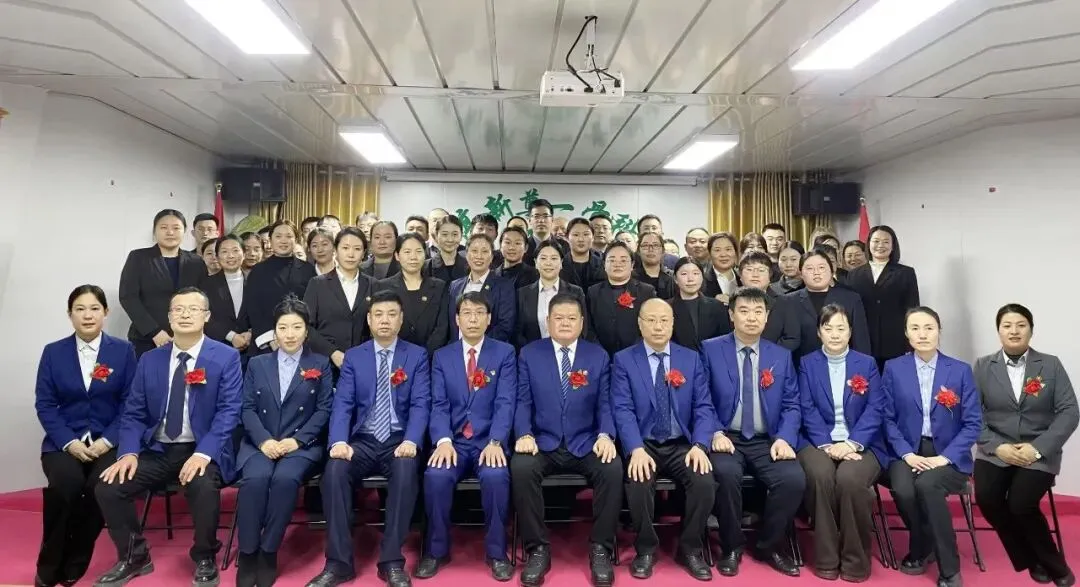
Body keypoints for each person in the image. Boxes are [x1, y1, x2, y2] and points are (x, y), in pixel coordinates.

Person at [93, 287, 242, 586]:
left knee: (203, 485)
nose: (185, 315)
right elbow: (133, 413)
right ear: (169, 317)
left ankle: (204, 556)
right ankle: (134, 556)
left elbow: (229, 412)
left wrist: (203, 453)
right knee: (109, 487)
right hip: (158, 450)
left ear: (206, 316)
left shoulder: (226, 357)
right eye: (178, 309)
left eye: (193, 309)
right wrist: (128, 453)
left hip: (202, 448)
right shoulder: (150, 359)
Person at [306, 290, 430, 587]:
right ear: (369, 320)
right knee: (334, 472)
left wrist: (412, 440)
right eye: (378, 315)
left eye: (391, 314)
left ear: (401, 320)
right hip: (362, 439)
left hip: (399, 438)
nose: (385, 320)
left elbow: (420, 403)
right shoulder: (354, 356)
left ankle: (391, 561)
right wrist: (338, 441)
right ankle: (338, 563)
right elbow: (343, 404)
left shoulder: (416, 355)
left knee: (406, 470)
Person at [513, 293, 621, 587]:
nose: (564, 323)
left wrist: (605, 435)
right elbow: (522, 401)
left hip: (585, 441)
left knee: (612, 469)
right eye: (558, 318)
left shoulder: (597, 355)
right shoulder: (529, 354)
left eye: (571, 318)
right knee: (521, 469)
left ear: (582, 322)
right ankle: (537, 549)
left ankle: (601, 547)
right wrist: (524, 433)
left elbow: (606, 404)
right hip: (542, 441)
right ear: (548, 321)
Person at [34, 285, 137, 587]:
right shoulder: (53, 352)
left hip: (109, 441)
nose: (87, 315)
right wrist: (69, 442)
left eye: (94, 308)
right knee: (65, 485)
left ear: (106, 312)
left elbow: (131, 403)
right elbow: (45, 404)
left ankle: (76, 559)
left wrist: (108, 440)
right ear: (70, 315)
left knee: (99, 487)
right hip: (64, 441)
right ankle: (49, 563)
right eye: (80, 309)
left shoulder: (123, 351)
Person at [701, 287, 804, 577]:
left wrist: (784, 438)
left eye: (758, 312)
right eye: (744, 311)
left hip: (766, 440)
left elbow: (792, 404)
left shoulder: (780, 356)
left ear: (767, 317)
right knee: (725, 475)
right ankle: (731, 546)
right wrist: (714, 433)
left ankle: (769, 545)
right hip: (726, 436)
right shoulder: (710, 349)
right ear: (731, 315)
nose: (751, 317)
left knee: (793, 479)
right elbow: (701, 399)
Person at [611, 299, 716, 581]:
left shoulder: (690, 359)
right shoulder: (624, 360)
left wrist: (700, 445)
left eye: (664, 320)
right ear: (640, 323)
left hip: (682, 443)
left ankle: (690, 548)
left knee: (704, 481)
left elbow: (704, 407)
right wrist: (635, 448)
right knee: (638, 480)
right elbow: (622, 409)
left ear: (672, 324)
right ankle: (646, 549)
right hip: (644, 443)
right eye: (651, 320)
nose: (658, 326)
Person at [974, 304, 1077, 586]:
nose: (1014, 331)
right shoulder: (983, 366)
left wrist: (1038, 447)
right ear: (998, 331)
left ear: (1031, 329)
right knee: (987, 498)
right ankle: (1030, 559)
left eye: (1021, 325)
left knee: (1020, 503)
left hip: (1038, 451)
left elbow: (1070, 411)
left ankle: (1055, 565)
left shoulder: (1051, 364)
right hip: (996, 450)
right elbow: (972, 414)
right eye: (1007, 325)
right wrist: (997, 446)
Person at [416, 293, 517, 581]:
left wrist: (496, 441)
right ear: (457, 319)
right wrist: (443, 440)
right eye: (467, 313)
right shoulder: (442, 356)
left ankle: (497, 553)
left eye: (479, 313)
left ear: (489, 318)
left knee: (496, 477)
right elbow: (438, 404)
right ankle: (436, 551)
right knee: (436, 475)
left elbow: (505, 402)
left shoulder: (504, 353)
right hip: (455, 442)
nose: (473, 319)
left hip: (489, 441)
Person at [234, 297, 333, 587]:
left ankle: (269, 551)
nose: (290, 334)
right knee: (255, 479)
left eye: (297, 327)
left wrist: (297, 441)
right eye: (283, 327)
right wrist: (264, 441)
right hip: (260, 442)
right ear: (274, 331)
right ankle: (248, 551)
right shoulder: (257, 363)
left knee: (285, 480)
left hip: (301, 445)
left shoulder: (320, 364)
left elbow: (324, 409)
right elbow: (247, 408)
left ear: (307, 330)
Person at [881, 306, 980, 587]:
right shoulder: (893, 368)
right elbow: (886, 418)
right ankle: (925, 544)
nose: (922, 334)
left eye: (929, 328)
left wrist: (944, 458)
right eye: (915, 328)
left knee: (927, 485)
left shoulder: (959, 371)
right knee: (903, 489)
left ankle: (949, 569)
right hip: (906, 451)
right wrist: (906, 453)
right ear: (906, 333)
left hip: (949, 456)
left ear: (939, 331)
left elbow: (973, 423)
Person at [797, 304, 886, 581]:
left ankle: (855, 561)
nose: (835, 334)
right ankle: (826, 558)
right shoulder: (807, 363)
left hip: (862, 442)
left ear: (850, 332)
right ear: (819, 332)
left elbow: (876, 408)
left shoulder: (866, 363)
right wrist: (827, 444)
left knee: (850, 480)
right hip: (817, 441)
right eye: (828, 328)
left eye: (841, 328)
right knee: (820, 476)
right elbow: (806, 408)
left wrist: (851, 443)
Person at [119, 209, 208, 356]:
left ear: (184, 231)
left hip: (187, 337)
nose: (170, 232)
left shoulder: (196, 262)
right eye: (164, 227)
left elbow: (202, 299)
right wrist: (154, 332)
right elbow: (128, 297)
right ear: (155, 231)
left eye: (176, 228)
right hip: (146, 338)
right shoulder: (139, 257)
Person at [303, 228, 376, 374]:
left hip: (363, 363)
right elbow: (306, 326)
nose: (351, 254)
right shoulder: (318, 284)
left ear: (364, 253)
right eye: (345, 248)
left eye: (357, 249)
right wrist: (332, 352)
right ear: (336, 250)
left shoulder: (373, 285)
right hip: (324, 364)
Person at [847, 226, 920, 371]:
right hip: (863, 342)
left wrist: (910, 342)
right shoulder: (854, 275)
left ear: (893, 246)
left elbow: (912, 310)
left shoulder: (906, 273)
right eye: (876, 241)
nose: (880, 245)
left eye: (886, 242)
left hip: (895, 342)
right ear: (868, 244)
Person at [241, 220, 318, 356]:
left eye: (289, 236)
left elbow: (313, 308)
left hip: (301, 342)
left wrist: (300, 334)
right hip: (266, 344)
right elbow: (253, 308)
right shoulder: (258, 270)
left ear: (296, 240)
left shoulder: (308, 270)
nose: (283, 240)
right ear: (270, 240)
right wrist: (271, 339)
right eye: (278, 236)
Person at [374, 233, 449, 355]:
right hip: (395, 355)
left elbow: (442, 328)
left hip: (431, 356)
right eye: (407, 252)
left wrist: (424, 355)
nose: (413, 257)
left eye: (418, 251)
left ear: (425, 254)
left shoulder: (439, 287)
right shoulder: (383, 287)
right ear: (397, 255)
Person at [786, 250, 871, 358]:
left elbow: (861, 341)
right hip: (799, 365)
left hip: (843, 363)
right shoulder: (787, 301)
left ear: (831, 271)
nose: (816, 272)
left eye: (821, 267)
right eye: (810, 268)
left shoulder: (851, 299)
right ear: (801, 273)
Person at [588, 242, 657, 357]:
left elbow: (652, 325)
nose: (617, 264)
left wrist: (633, 353)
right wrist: (599, 352)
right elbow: (588, 328)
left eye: (623, 260)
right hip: (601, 355)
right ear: (604, 264)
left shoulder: (646, 292)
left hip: (637, 355)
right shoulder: (593, 292)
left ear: (632, 265)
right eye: (612, 260)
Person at [515, 240, 587, 348]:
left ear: (561, 263)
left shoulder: (575, 292)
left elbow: (583, 329)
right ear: (536, 263)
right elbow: (518, 332)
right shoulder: (522, 294)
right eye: (543, 258)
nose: (548, 263)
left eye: (554, 258)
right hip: (533, 352)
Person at [448, 234, 516, 343]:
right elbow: (451, 323)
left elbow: (505, 326)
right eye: (474, 251)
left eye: (484, 251)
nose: (479, 256)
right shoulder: (455, 286)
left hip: (490, 349)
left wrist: (476, 346)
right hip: (456, 349)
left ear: (491, 257)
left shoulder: (504, 286)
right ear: (466, 255)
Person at [668, 257, 731, 351]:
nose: (690, 279)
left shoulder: (717, 306)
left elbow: (725, 340)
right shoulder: (666, 307)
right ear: (675, 279)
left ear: (702, 277)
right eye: (684, 274)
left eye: (695, 273)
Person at [204, 235, 250, 353]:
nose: (230, 256)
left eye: (235, 250)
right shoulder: (206, 285)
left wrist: (251, 333)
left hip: (252, 348)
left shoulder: (255, 281)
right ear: (217, 257)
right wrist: (231, 336)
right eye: (224, 251)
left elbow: (263, 312)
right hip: (218, 348)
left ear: (244, 254)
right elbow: (204, 317)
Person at [423, 216, 469, 288]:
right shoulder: (425, 267)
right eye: (445, 234)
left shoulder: (469, 265)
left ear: (461, 236)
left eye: (455, 234)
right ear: (436, 236)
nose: (450, 239)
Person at [632, 232, 675, 299]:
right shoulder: (630, 277)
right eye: (645, 245)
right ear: (638, 251)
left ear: (663, 251)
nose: (650, 249)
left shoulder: (673, 278)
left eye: (655, 245)